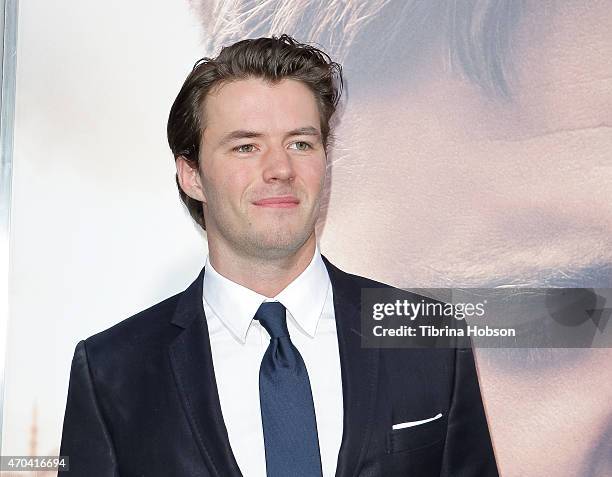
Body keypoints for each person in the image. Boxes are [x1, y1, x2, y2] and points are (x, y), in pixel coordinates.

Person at [59, 34, 498, 476]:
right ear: (191, 175)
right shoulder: (113, 372)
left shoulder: (428, 337)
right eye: (246, 146)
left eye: (300, 144)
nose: (281, 169)